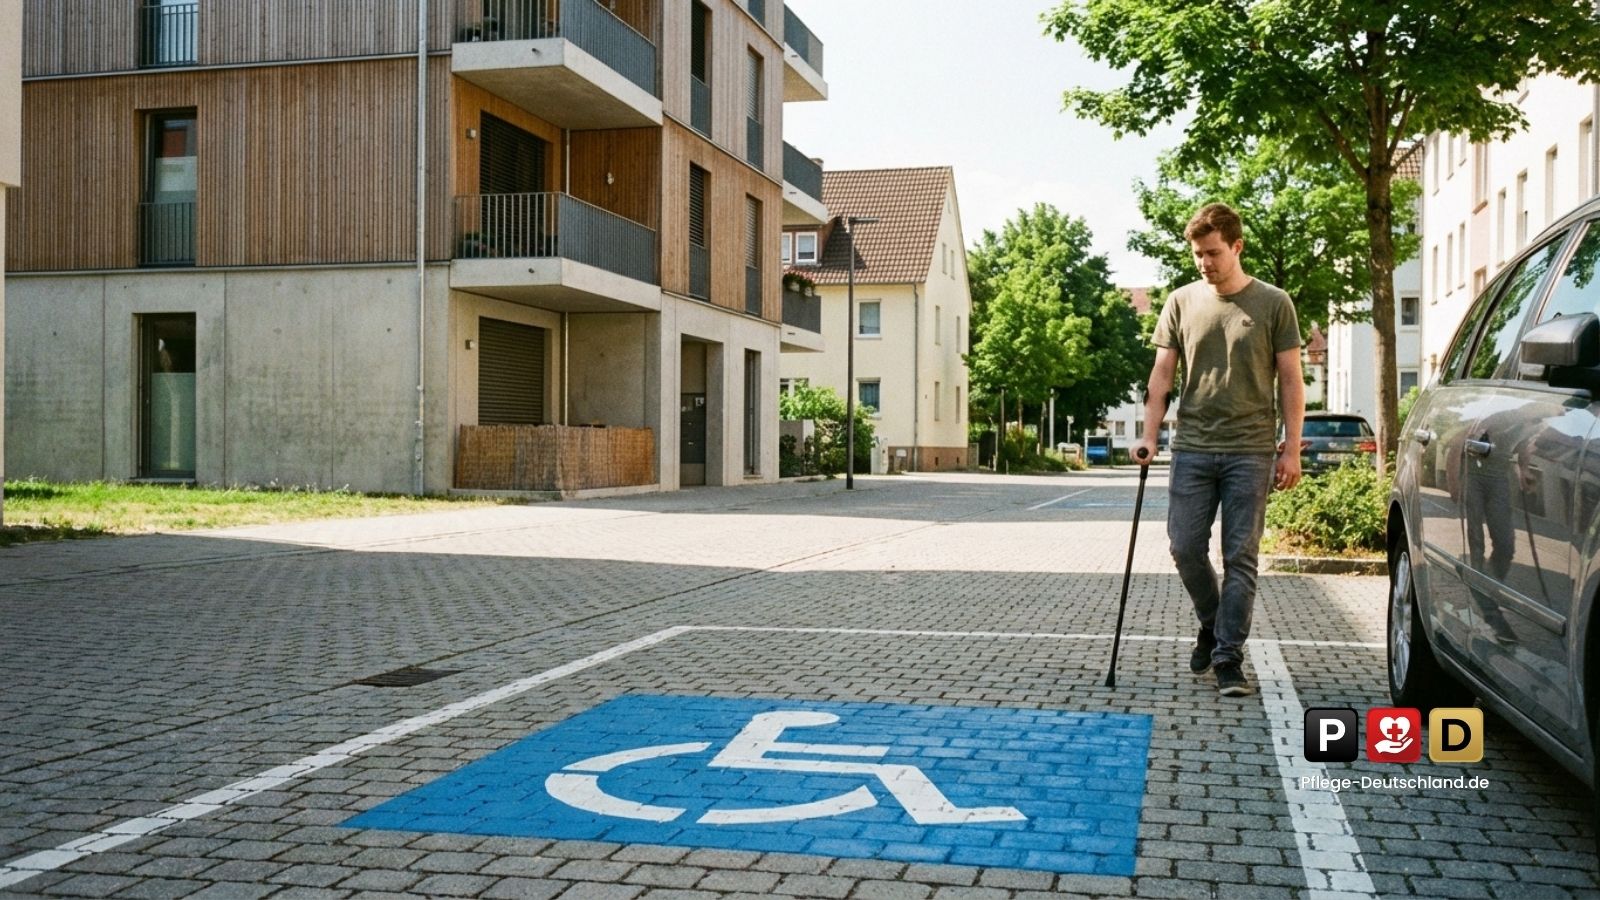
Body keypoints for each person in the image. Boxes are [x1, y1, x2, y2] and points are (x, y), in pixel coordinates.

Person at [1132, 203, 1304, 697]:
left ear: (1236, 247)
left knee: (1240, 557)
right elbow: (1162, 373)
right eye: (1197, 254)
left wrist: (1290, 450)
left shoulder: (1274, 303)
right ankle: (1212, 623)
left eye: (1212, 253)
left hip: (1250, 450)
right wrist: (1148, 434)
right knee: (1184, 547)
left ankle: (1228, 656)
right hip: (1192, 446)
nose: (1204, 262)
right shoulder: (1181, 301)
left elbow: (1291, 381)